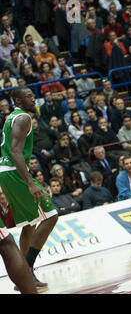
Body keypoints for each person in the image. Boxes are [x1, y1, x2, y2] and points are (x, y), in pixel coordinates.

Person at [0, 87, 60, 293]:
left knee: (29, 224)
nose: (33, 98)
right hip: (14, 171)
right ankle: (27, 268)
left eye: (33, 95)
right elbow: (16, 152)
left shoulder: (12, 117)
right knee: (51, 216)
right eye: (27, 96)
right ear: (17, 100)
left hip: (6, 171)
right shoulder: (23, 117)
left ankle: (24, 277)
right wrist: (31, 182)